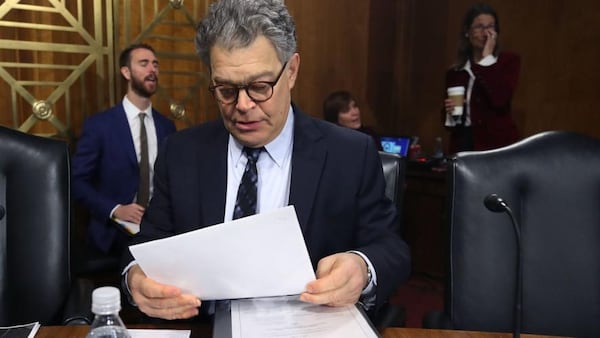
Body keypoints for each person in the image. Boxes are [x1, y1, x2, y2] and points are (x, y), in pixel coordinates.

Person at [122, 0, 410, 322]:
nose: (243, 106)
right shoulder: (181, 153)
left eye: (260, 87)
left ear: (292, 71)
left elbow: (390, 247)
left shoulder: (349, 154)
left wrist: (361, 266)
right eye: (227, 90)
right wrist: (136, 277)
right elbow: (147, 244)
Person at [72, 43, 177, 257]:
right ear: (126, 72)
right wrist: (115, 209)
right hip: (112, 237)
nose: (152, 70)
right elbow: (76, 182)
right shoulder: (99, 125)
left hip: (159, 234)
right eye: (144, 64)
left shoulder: (167, 126)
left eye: (155, 65)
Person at [443, 2, 520, 153]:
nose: (486, 33)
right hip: (464, 144)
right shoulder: (455, 72)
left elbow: (500, 99)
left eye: (491, 26)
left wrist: (487, 58)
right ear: (467, 32)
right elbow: (449, 124)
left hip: (497, 147)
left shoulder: (508, 62)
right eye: (479, 27)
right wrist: (450, 113)